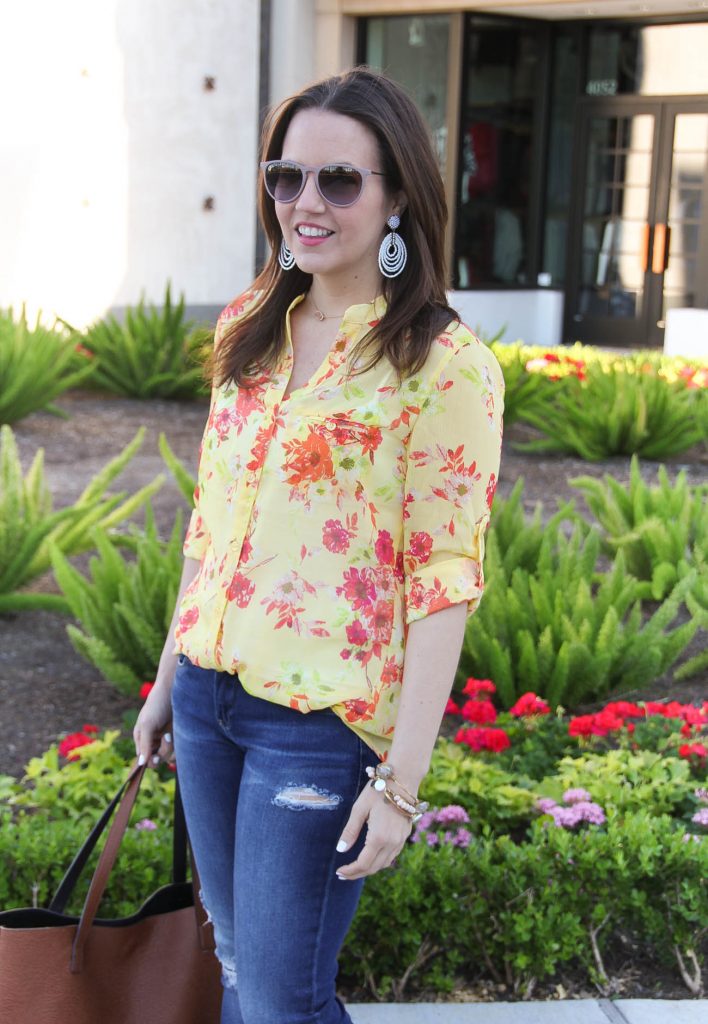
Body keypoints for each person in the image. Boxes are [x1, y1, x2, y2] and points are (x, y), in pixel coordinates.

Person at [133, 67, 504, 1024]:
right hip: (211, 700)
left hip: (318, 723)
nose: (306, 202)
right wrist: (170, 678)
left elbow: (444, 583)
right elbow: (211, 528)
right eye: (285, 177)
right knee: (237, 966)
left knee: (278, 1002)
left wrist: (401, 785)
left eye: (340, 181)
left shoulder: (443, 364)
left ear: (395, 200)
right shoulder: (249, 331)